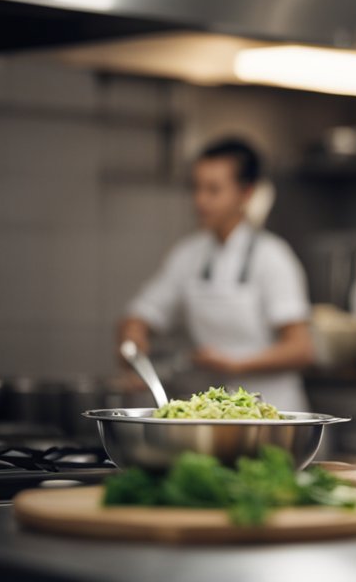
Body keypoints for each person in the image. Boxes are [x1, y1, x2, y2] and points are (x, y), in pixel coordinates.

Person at [118, 138, 315, 410]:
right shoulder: (188, 255)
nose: (200, 200)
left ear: (246, 194)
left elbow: (301, 349)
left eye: (213, 190)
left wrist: (236, 364)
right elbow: (141, 314)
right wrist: (133, 340)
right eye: (196, 188)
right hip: (215, 416)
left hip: (274, 414)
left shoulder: (273, 257)